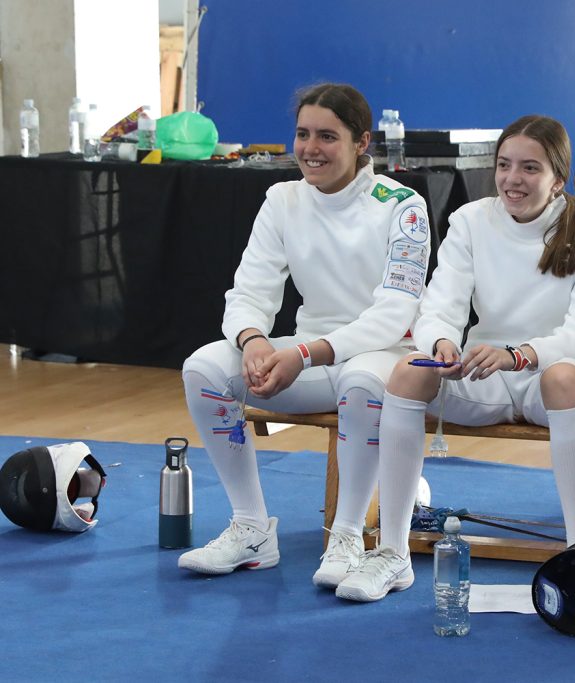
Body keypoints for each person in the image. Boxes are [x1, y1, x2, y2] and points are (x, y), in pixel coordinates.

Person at [334, 115, 575, 602]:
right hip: (485, 372)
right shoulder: (470, 220)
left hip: (554, 377)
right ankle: (393, 552)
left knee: (565, 378)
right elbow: (439, 305)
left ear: (558, 178)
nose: (512, 179)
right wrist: (442, 343)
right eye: (504, 165)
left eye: (530, 168)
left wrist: (519, 355)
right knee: (408, 371)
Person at [177, 83, 431, 584]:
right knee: (204, 369)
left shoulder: (403, 205)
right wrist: (253, 341)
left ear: (361, 142)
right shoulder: (282, 199)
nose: (311, 149)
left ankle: (348, 535)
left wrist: (305, 354)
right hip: (309, 358)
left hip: (384, 356)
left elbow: (394, 313)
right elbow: (249, 291)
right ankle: (251, 527)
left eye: (327, 137)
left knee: (361, 380)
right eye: (302, 134)